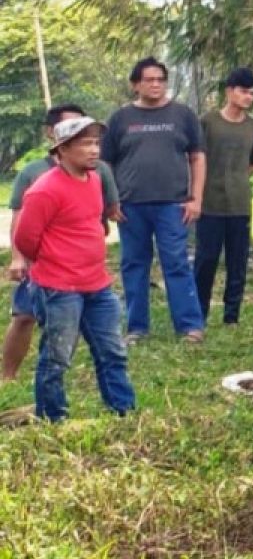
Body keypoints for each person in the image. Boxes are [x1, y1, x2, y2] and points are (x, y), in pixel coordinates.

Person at [13, 116, 136, 421]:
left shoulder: (94, 179)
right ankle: (52, 417)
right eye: (85, 144)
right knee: (57, 357)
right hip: (58, 288)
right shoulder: (45, 190)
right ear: (63, 149)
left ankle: (123, 412)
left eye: (96, 143)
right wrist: (56, 262)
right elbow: (26, 239)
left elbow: (93, 222)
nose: (94, 150)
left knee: (112, 353)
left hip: (97, 284)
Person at [3, 104, 120, 382]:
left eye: (93, 139)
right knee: (23, 317)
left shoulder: (97, 172)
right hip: (45, 270)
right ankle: (7, 376)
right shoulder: (34, 174)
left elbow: (104, 211)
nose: (91, 147)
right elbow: (22, 222)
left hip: (86, 275)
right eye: (80, 137)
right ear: (56, 139)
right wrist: (21, 258)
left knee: (98, 341)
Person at [102, 57, 207, 343]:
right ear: (136, 84)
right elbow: (106, 164)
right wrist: (111, 201)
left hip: (173, 205)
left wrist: (195, 198)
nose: (156, 84)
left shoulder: (183, 115)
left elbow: (197, 158)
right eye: (149, 79)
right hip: (130, 206)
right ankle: (136, 328)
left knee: (176, 263)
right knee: (134, 264)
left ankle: (189, 327)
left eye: (160, 79)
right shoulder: (120, 119)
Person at [193, 68, 253, 326]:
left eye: (252, 93)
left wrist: (237, 181)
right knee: (206, 260)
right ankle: (198, 313)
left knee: (237, 262)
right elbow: (194, 159)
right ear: (229, 91)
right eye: (244, 91)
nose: (248, 97)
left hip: (240, 204)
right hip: (209, 203)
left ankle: (231, 316)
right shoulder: (207, 122)